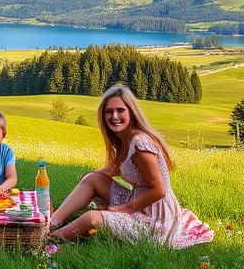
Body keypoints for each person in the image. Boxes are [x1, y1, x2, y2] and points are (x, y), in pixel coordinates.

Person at [49, 84, 213, 247]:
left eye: (120, 110)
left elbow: (159, 190)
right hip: (139, 200)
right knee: (93, 179)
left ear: (131, 113)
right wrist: (85, 182)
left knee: (92, 218)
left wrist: (125, 208)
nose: (114, 116)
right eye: (109, 111)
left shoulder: (139, 143)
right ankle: (50, 223)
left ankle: (46, 239)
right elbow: (109, 170)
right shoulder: (125, 140)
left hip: (156, 218)